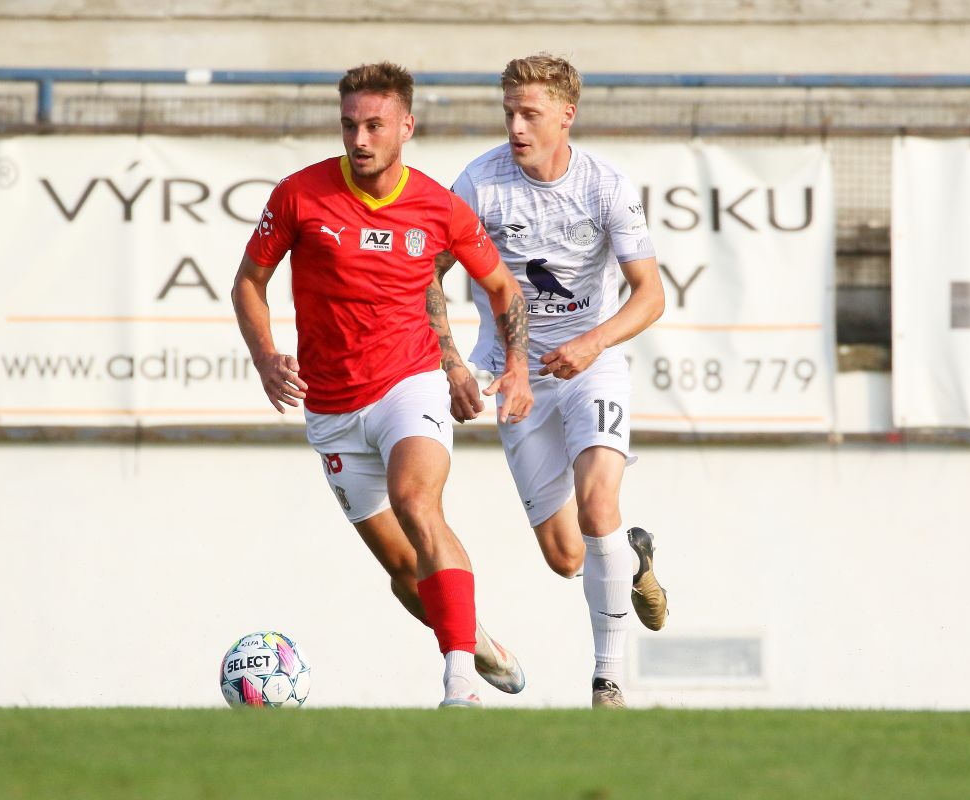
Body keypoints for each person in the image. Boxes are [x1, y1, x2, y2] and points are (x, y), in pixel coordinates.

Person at [232, 62, 534, 708]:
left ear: (406, 127)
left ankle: (458, 684)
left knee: (417, 503)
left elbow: (501, 285)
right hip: (332, 407)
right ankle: (475, 639)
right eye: (349, 126)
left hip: (410, 384)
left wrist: (516, 364)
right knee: (404, 571)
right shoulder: (298, 195)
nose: (360, 139)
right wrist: (265, 357)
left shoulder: (438, 206)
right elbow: (249, 283)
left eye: (374, 126)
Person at [427, 53, 669, 709]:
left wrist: (593, 343)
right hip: (517, 376)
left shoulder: (605, 186)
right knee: (567, 556)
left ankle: (608, 682)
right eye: (509, 112)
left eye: (530, 114)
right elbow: (429, 276)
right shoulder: (479, 182)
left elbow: (650, 295)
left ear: (567, 116)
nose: (516, 127)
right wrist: (453, 362)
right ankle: (632, 558)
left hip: (593, 365)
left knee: (598, 505)